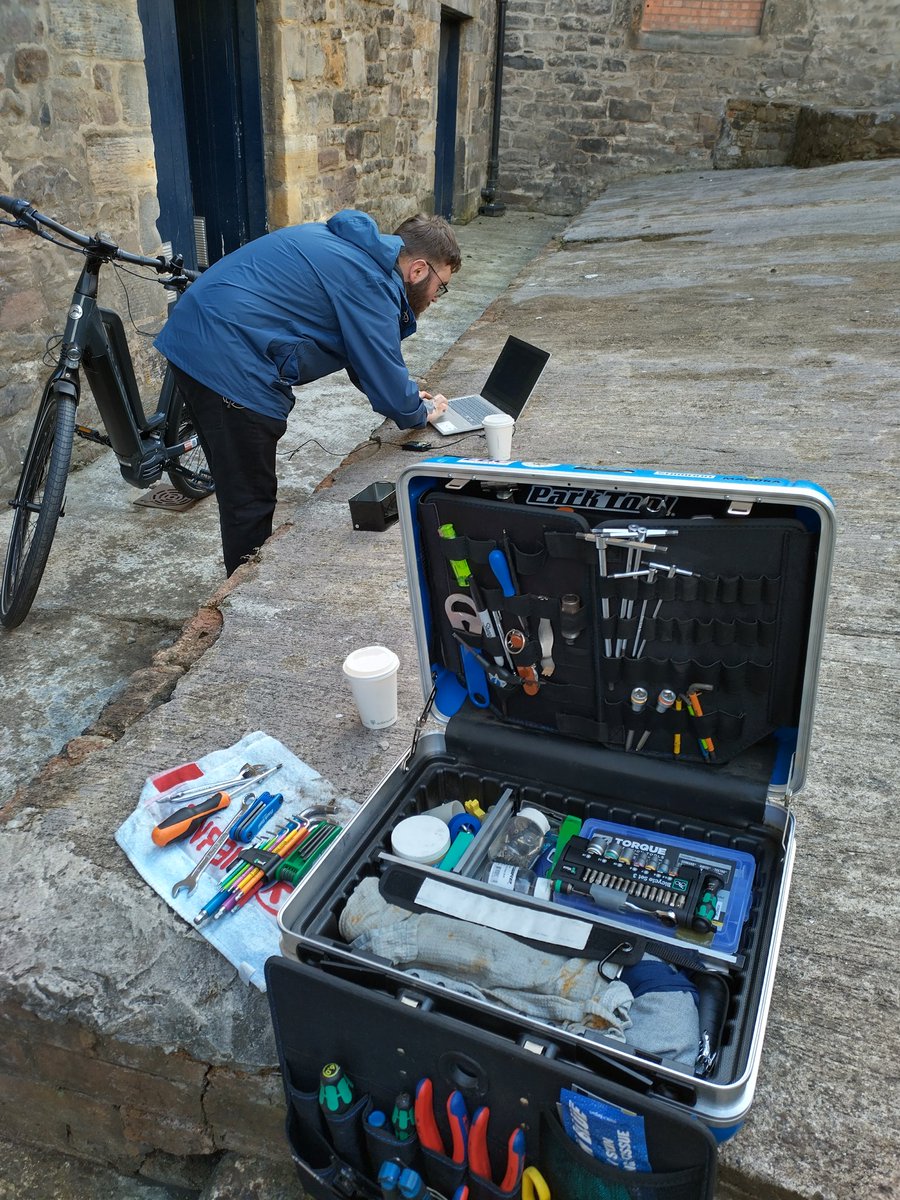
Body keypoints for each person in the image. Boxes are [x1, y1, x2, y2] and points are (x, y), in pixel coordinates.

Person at [155, 210, 461, 575]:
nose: (436, 297)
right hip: (229, 357)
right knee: (249, 498)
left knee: (242, 484)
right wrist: (414, 410)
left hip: (198, 333)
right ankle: (243, 603)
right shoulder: (370, 281)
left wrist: (409, 398)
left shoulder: (353, 251)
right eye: (440, 286)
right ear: (419, 270)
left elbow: (364, 358)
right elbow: (382, 368)